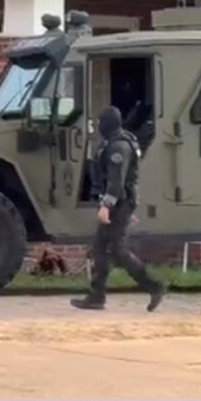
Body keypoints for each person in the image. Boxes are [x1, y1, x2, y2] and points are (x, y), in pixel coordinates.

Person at [71, 106, 166, 312]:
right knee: (100, 248)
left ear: (108, 124)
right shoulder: (114, 142)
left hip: (118, 203)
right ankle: (96, 297)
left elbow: (116, 181)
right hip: (120, 204)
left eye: (100, 123)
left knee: (119, 252)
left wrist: (107, 206)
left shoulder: (118, 147)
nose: (98, 127)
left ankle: (154, 286)